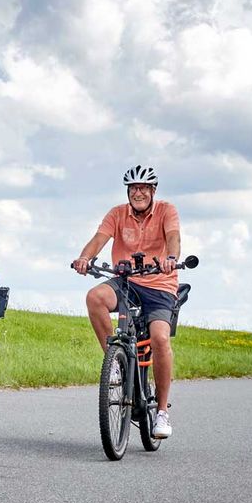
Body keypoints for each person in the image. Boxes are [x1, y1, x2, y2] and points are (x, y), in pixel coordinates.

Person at [69, 164, 183, 438]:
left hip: (159, 284)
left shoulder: (167, 210)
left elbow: (173, 237)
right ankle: (116, 362)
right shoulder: (117, 213)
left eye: (144, 188)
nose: (138, 193)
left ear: (153, 191)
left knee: (160, 338)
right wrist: (85, 258)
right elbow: (99, 239)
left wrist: (170, 259)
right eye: (133, 189)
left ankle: (163, 412)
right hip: (127, 281)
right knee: (95, 297)